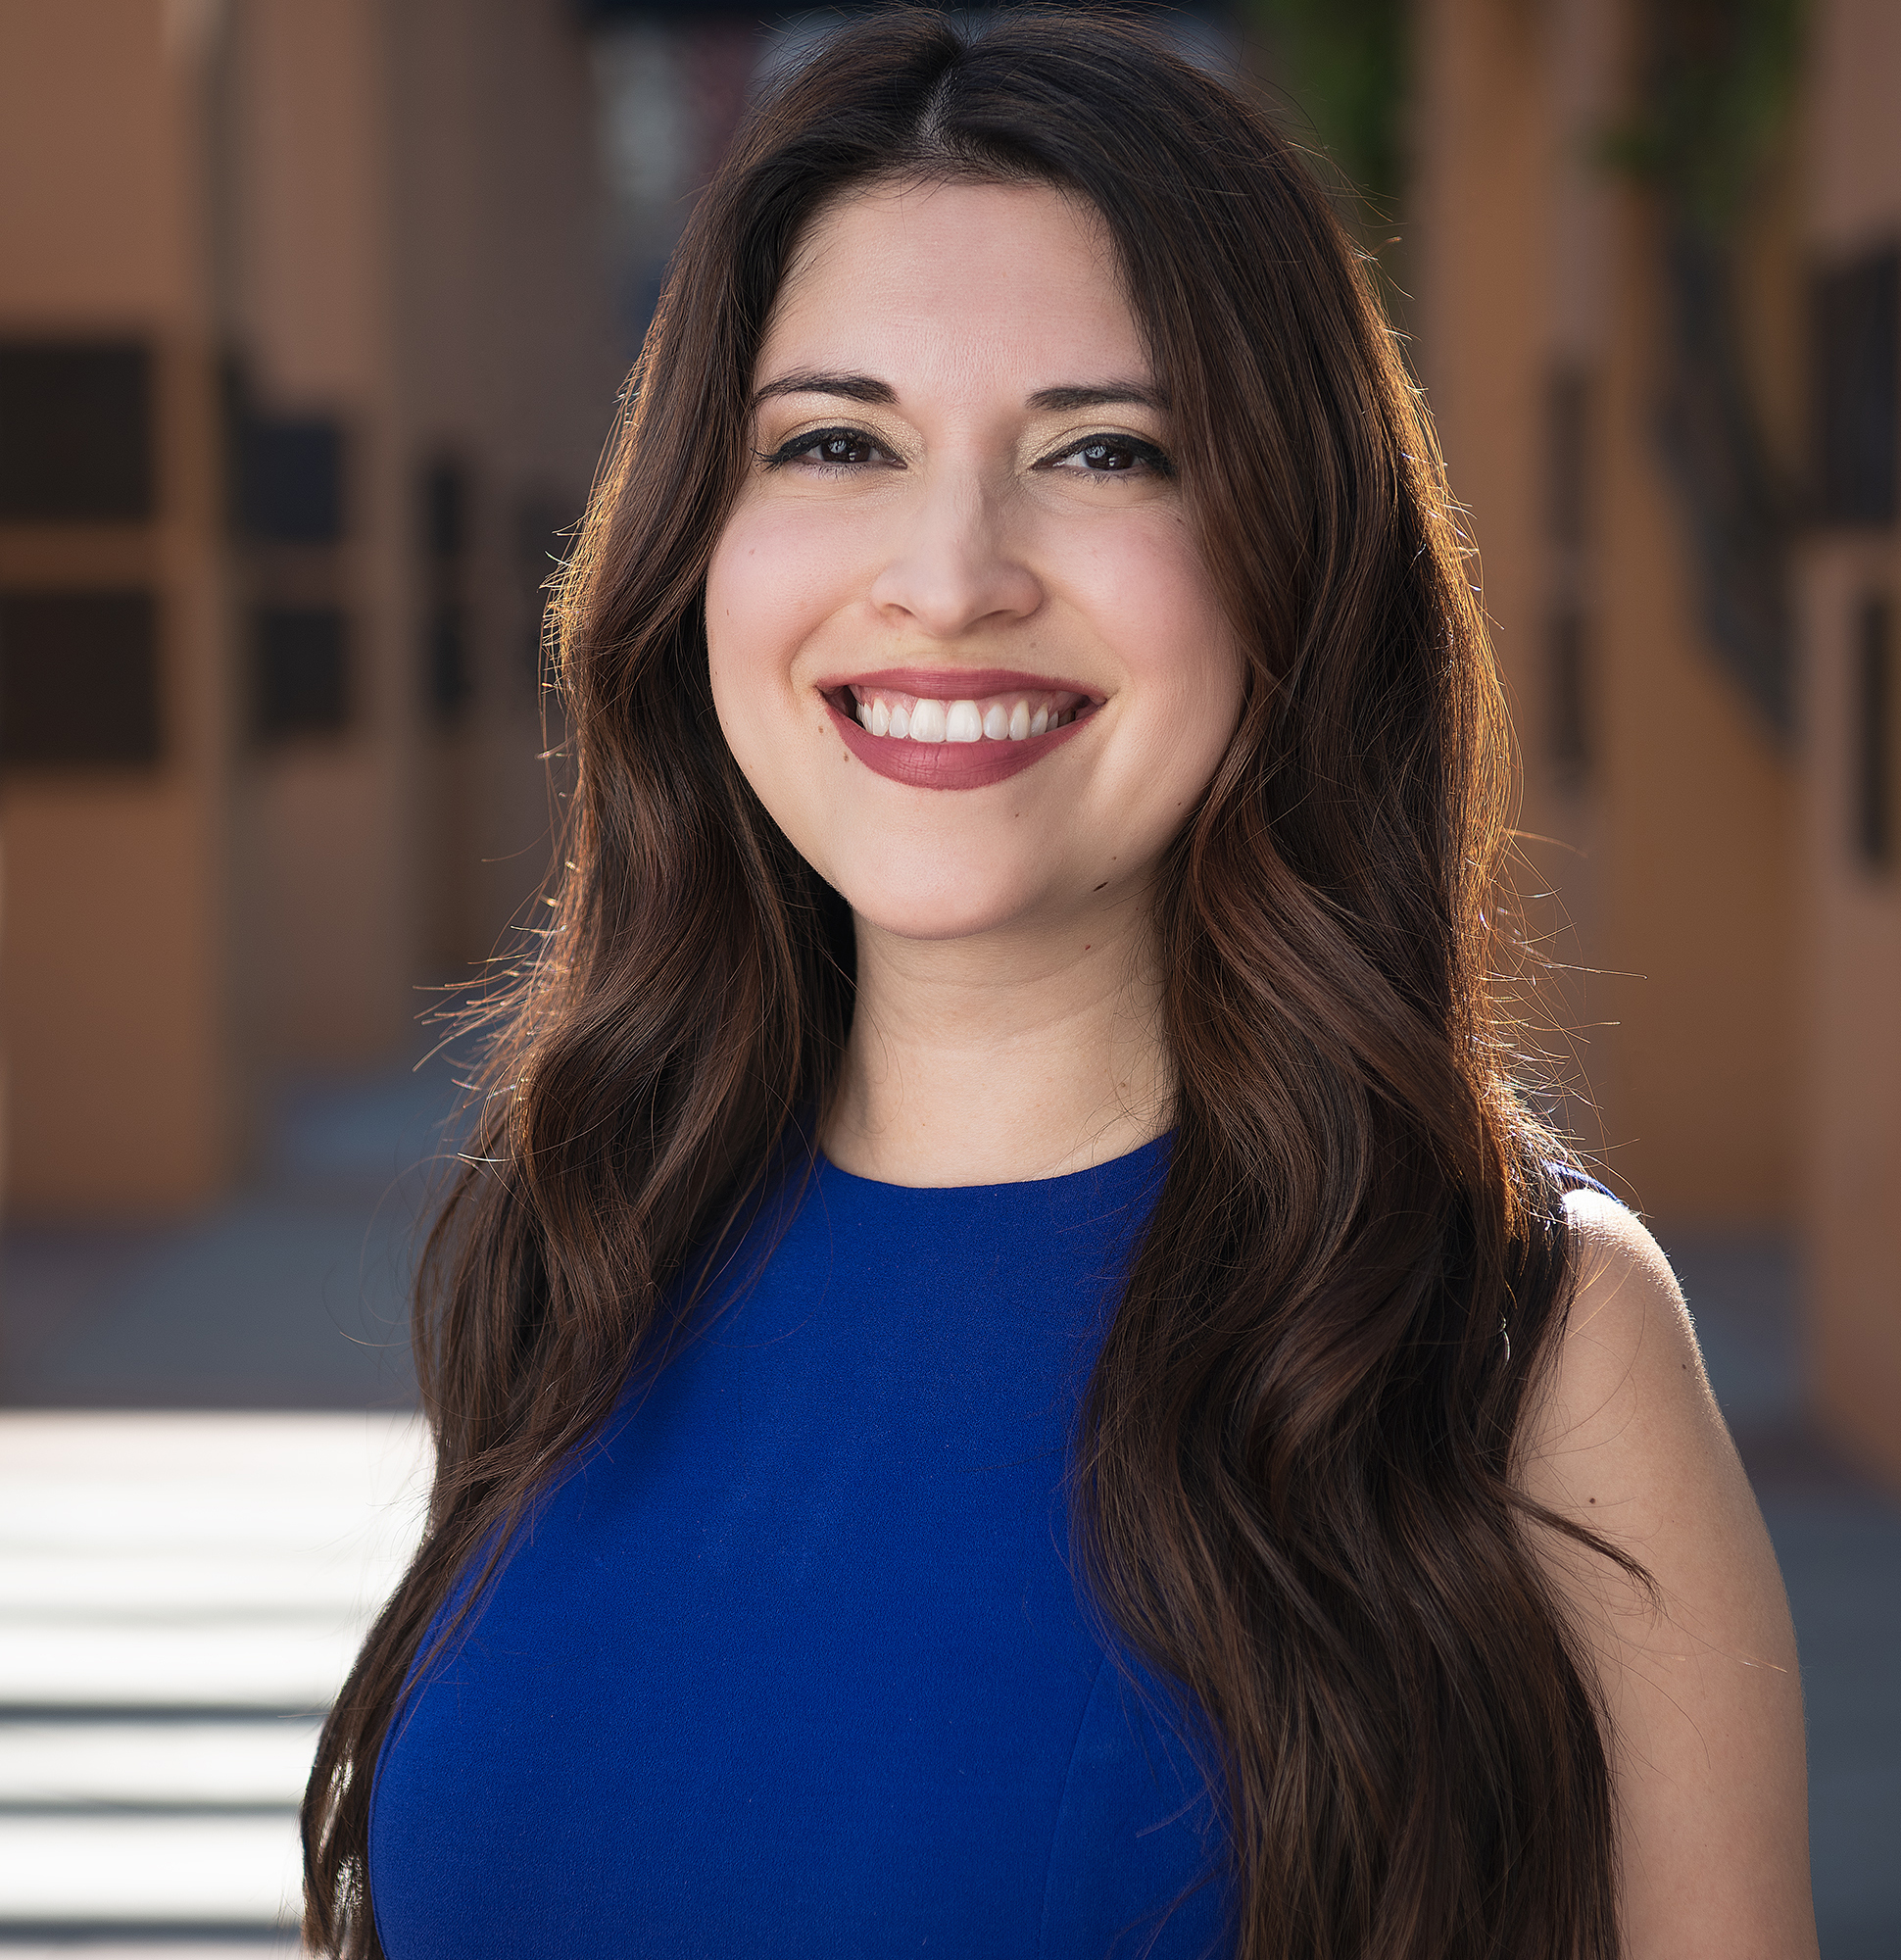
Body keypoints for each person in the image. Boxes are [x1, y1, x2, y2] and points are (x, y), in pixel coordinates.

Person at [304, 11, 1816, 1957]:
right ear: (696, 546)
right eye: (836, 441)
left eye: (1104, 450)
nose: (951, 573)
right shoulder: (582, 1237)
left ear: (1289, 554)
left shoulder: (1514, 1325)